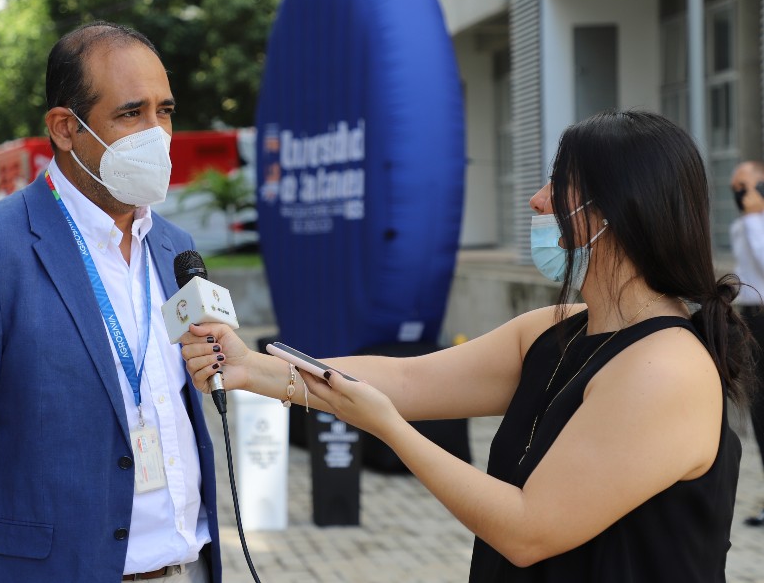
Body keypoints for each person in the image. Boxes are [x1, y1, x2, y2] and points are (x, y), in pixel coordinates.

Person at [184, 110, 755, 581]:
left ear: (614, 213)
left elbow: (529, 531)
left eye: (558, 185)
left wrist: (390, 430)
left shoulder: (665, 369)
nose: (536, 201)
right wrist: (249, 368)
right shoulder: (553, 330)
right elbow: (408, 381)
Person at [0, 21, 222, 583]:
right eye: (131, 113)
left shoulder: (174, 248)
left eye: (165, 110)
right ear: (65, 128)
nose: (157, 134)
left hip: (182, 569)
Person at [729, 159, 764, 527]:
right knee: (758, 409)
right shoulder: (744, 224)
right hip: (751, 316)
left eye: (747, 186)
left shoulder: (755, 224)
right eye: (736, 189)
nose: (741, 195)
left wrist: (755, 219)